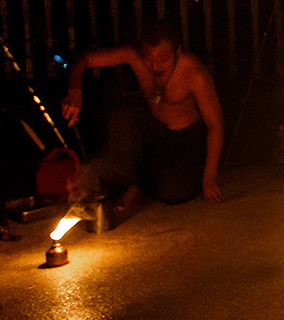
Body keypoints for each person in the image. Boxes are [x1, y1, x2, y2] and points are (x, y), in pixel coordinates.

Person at [61, 20, 224, 211]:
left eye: (164, 60)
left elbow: (215, 124)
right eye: (149, 59)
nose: (156, 67)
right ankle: (135, 180)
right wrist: (74, 91)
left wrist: (210, 174)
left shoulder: (193, 72)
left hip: (186, 139)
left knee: (173, 194)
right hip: (155, 131)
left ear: (177, 52)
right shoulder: (134, 56)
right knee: (123, 118)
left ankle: (139, 182)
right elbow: (84, 59)